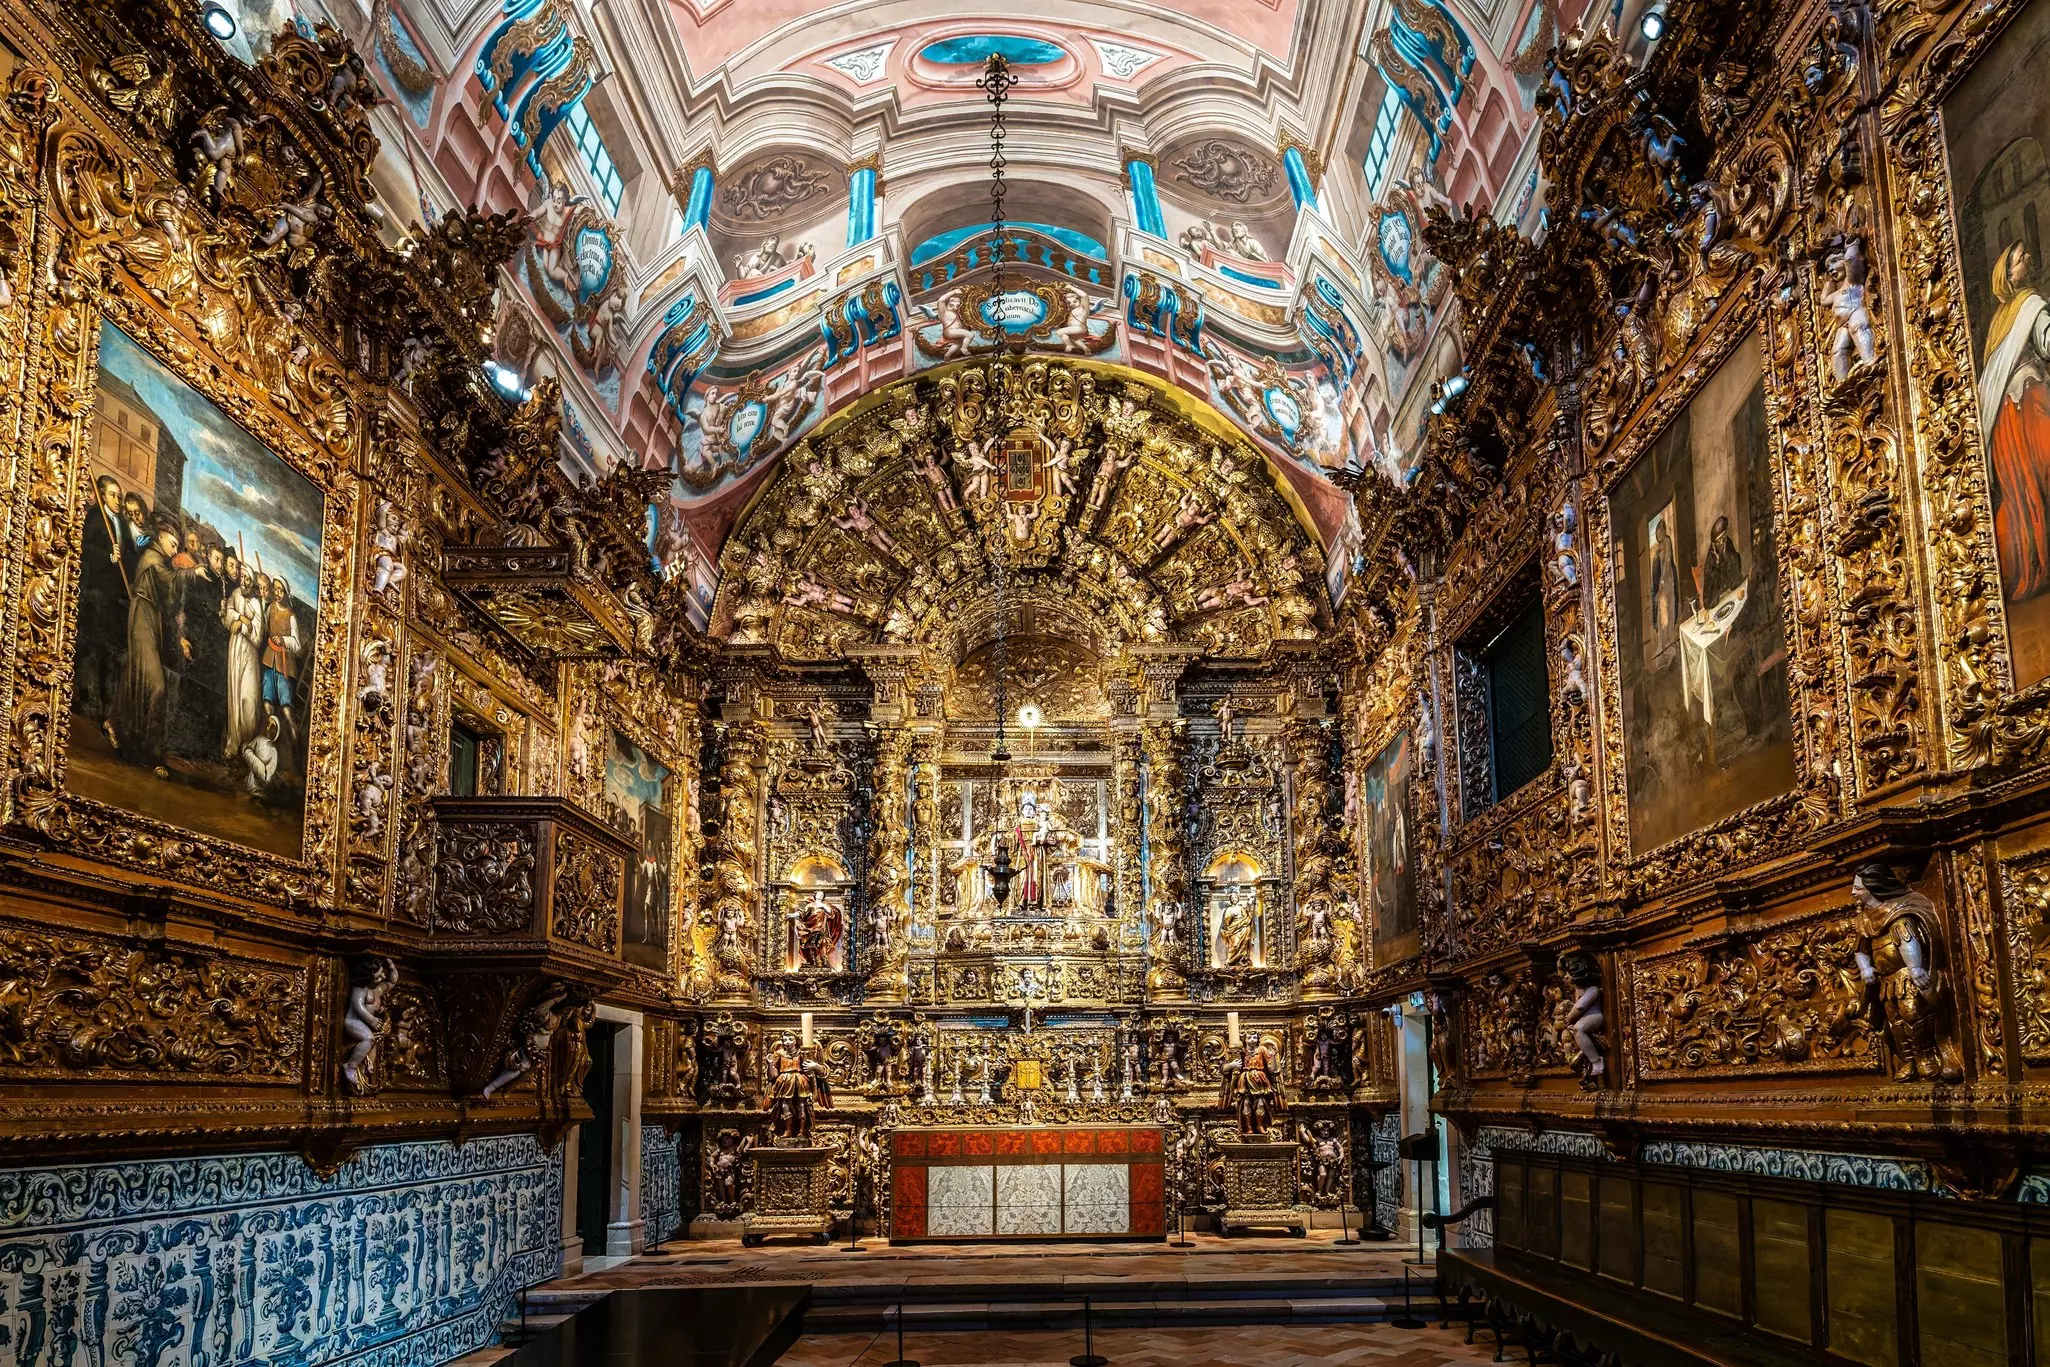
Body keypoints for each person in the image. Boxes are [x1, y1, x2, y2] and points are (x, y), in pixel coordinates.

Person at [1979, 240, 2050, 601]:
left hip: (2010, 412)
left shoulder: (2002, 320)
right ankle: (2030, 569)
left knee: (2030, 482)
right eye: (2021, 259)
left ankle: (2032, 567)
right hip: (2023, 405)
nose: (2028, 261)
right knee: (2027, 482)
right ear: (2007, 274)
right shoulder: (2028, 305)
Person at [116, 519, 189, 776]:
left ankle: (122, 731)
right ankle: (152, 753)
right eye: (173, 543)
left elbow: (170, 601)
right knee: (157, 685)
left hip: (151, 619)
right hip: (142, 618)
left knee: (138, 675)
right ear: (162, 534)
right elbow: (169, 580)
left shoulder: (160, 560)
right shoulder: (152, 558)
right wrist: (192, 573)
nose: (175, 549)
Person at [76, 475, 133, 743]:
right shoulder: (96, 518)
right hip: (96, 595)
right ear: (101, 495)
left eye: (119, 496)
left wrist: (124, 563)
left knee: (111, 655)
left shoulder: (121, 523)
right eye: (112, 495)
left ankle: (104, 711)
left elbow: (129, 556)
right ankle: (86, 702)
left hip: (114, 599)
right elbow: (86, 550)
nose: (117, 500)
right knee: (92, 649)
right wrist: (109, 557)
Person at [222, 559, 265, 760]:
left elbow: (258, 637)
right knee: (234, 694)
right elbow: (228, 616)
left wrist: (246, 627)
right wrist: (239, 619)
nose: (244, 581)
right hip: (234, 648)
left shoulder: (256, 603)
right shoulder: (236, 594)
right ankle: (233, 743)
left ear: (252, 582)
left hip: (249, 653)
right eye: (242, 577)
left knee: (248, 697)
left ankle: (247, 744)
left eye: (247, 578)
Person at [262, 574, 303, 764]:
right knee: (267, 704)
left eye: (281, 590)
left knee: (287, 711)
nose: (277, 593)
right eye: (275, 589)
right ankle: (269, 752)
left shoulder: (291, 615)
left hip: (284, 664)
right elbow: (264, 628)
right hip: (269, 660)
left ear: (286, 593)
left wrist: (283, 640)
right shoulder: (270, 608)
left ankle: (297, 756)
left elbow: (297, 644)